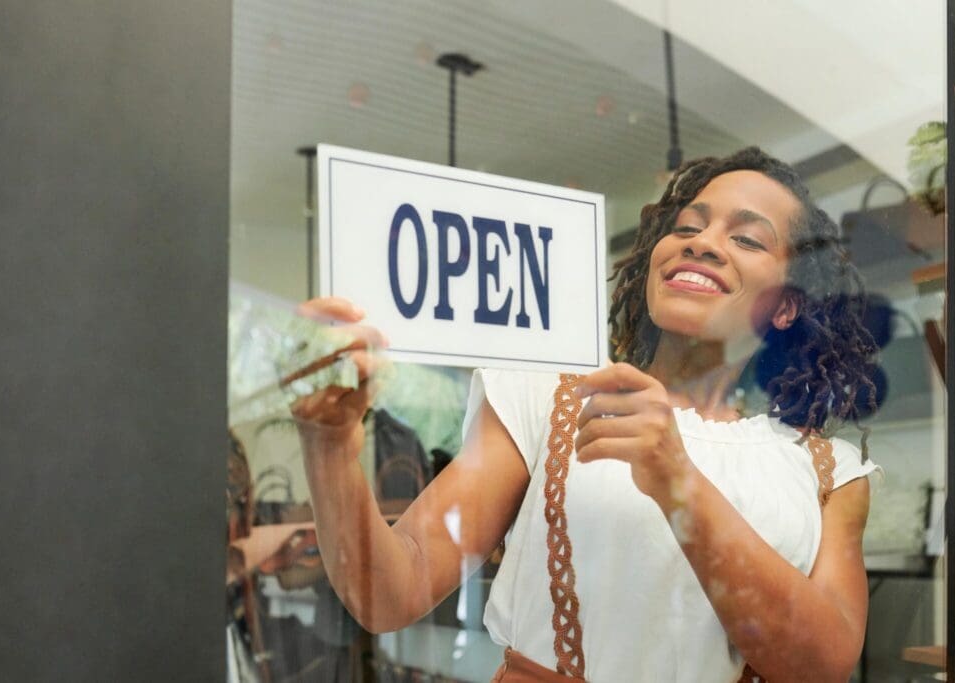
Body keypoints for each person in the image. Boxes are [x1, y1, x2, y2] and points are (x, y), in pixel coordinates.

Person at [290, 148, 881, 682]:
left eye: (748, 240)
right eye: (688, 226)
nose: (702, 242)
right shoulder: (547, 396)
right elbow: (390, 593)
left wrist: (679, 482)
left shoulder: (829, 473)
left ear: (785, 307)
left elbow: (819, 666)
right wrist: (331, 445)